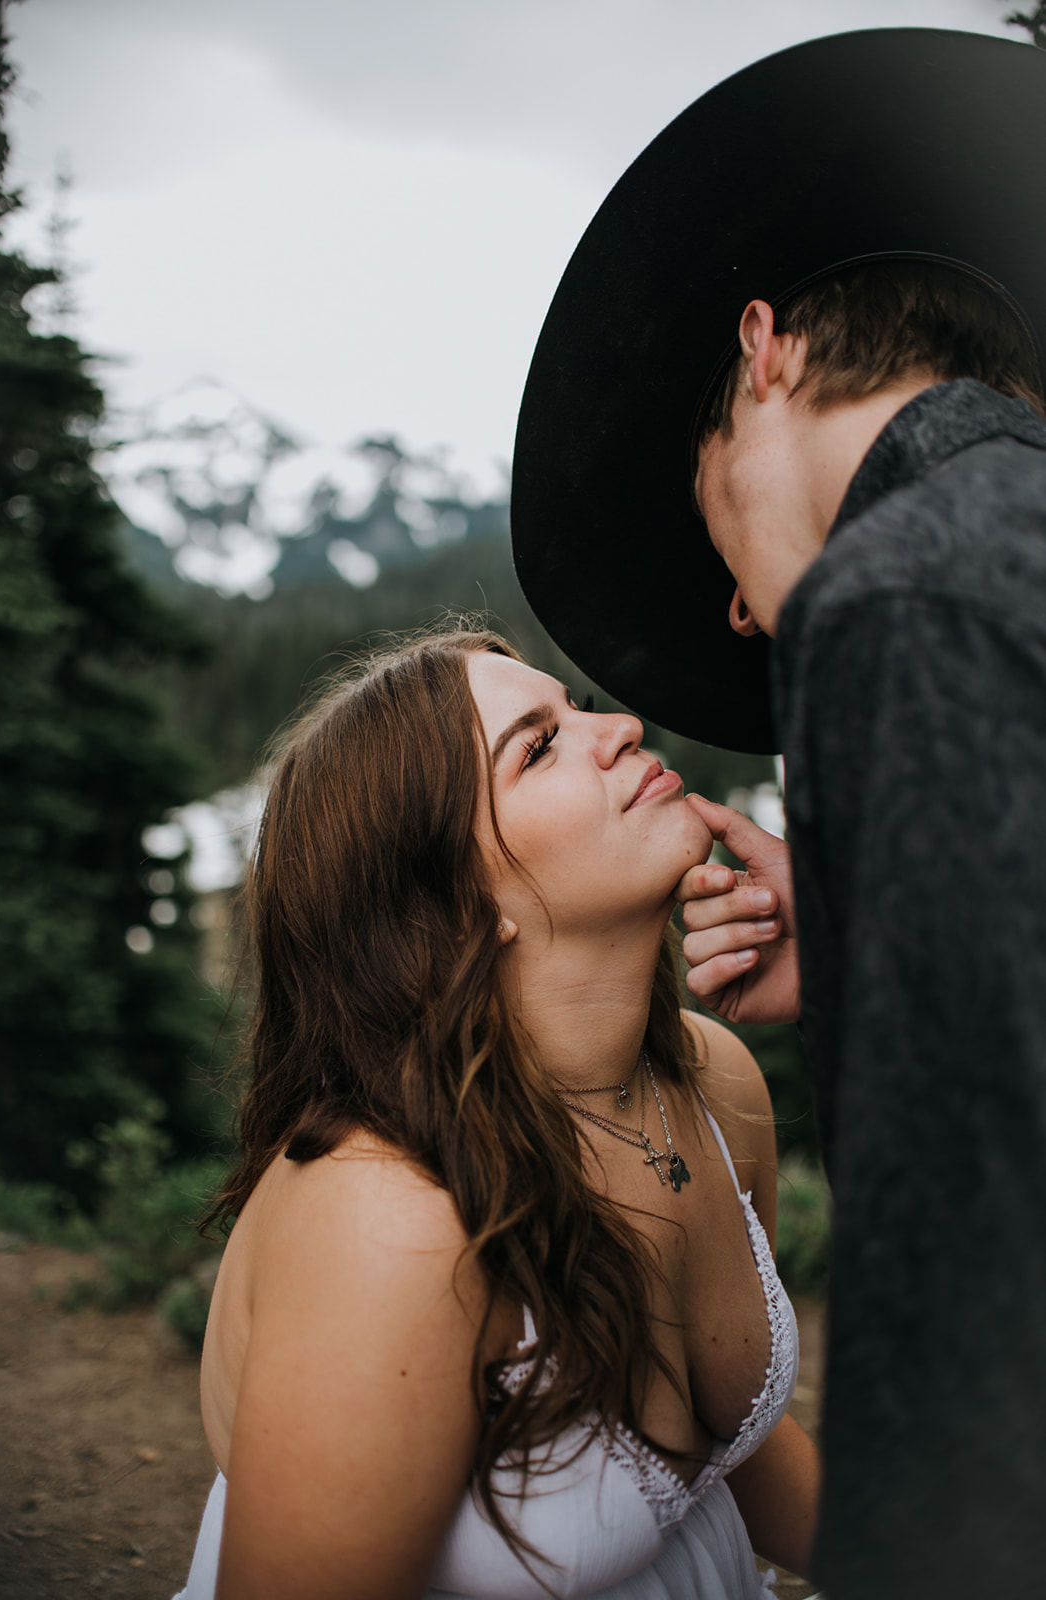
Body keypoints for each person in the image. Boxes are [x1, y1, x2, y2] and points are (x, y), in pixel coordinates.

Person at [509, 27, 1046, 1600]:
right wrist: (879, 921)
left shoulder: (901, 591)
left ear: (765, 355)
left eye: (706, 507)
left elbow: (978, 1267)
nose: (740, 620)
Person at [173, 627, 820, 1600]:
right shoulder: (392, 1219)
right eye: (539, 744)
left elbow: (740, 1454)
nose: (619, 728)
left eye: (576, 708)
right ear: (457, 905)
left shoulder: (712, 1081)